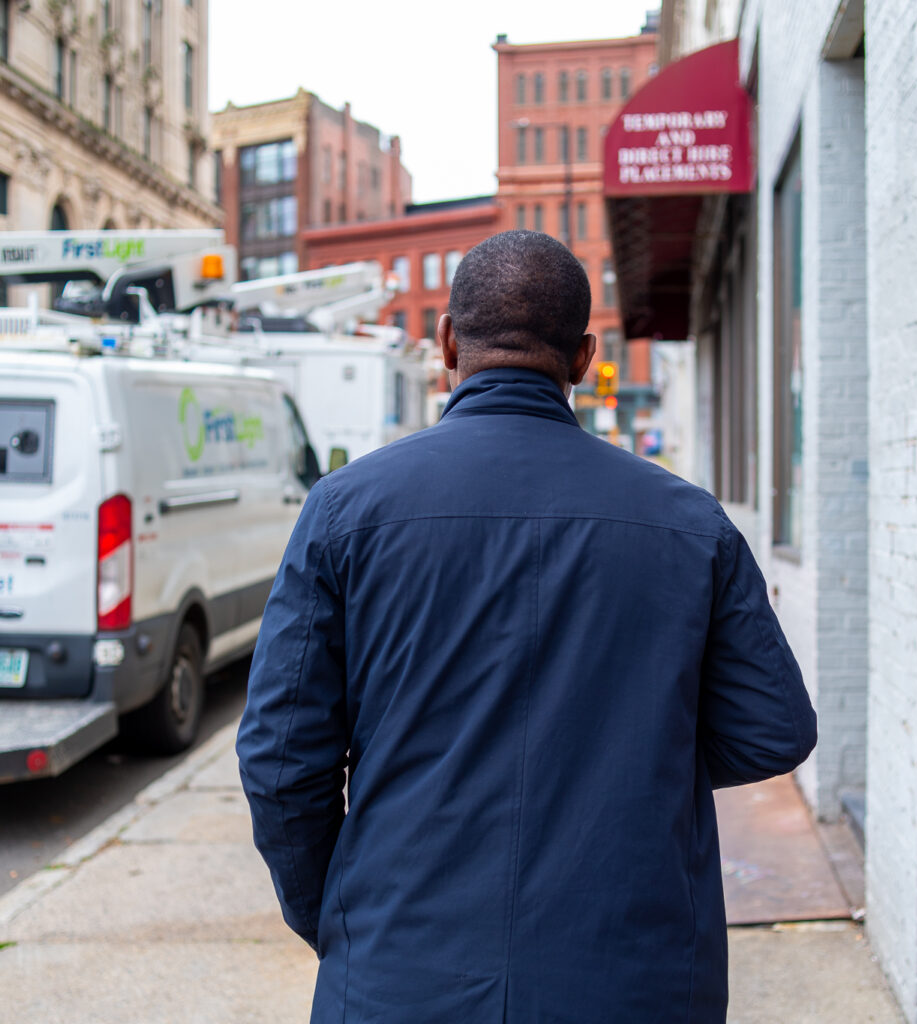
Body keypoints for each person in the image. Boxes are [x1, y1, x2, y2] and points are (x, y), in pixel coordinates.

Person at [237, 229, 816, 1023]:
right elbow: (774, 730)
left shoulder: (344, 511)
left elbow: (279, 760)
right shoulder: (690, 524)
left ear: (446, 342)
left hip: (400, 972)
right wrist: (631, 754)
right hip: (633, 977)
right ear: (582, 357)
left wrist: (334, 913)